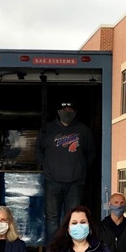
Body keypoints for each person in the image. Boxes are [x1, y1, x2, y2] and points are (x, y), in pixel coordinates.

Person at [37, 101, 95, 241]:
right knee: (52, 218)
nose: (67, 112)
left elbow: (91, 154)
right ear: (58, 111)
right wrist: (48, 168)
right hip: (52, 182)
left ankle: (70, 247)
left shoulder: (83, 130)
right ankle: (53, 249)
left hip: (75, 183)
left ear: (75, 112)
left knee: (74, 218)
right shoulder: (47, 129)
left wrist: (80, 169)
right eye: (64, 110)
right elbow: (38, 151)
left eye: (70, 110)